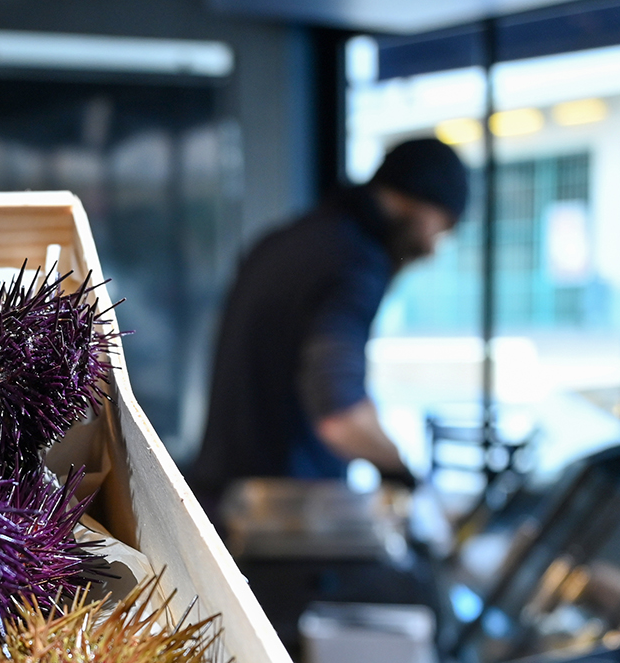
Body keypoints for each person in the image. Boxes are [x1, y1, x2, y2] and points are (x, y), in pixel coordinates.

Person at [186, 137, 468, 511]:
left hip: (223, 497)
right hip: (276, 520)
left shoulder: (289, 240)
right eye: (443, 226)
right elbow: (341, 413)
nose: (434, 247)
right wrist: (401, 471)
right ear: (418, 202)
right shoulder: (355, 263)